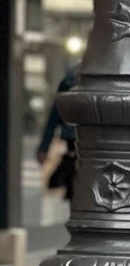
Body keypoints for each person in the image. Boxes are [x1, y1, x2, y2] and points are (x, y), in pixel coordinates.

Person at [36, 66, 80, 203]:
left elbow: (54, 117)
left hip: (75, 141)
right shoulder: (68, 82)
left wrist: (44, 147)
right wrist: (44, 147)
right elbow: (55, 116)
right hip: (74, 142)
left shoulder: (69, 80)